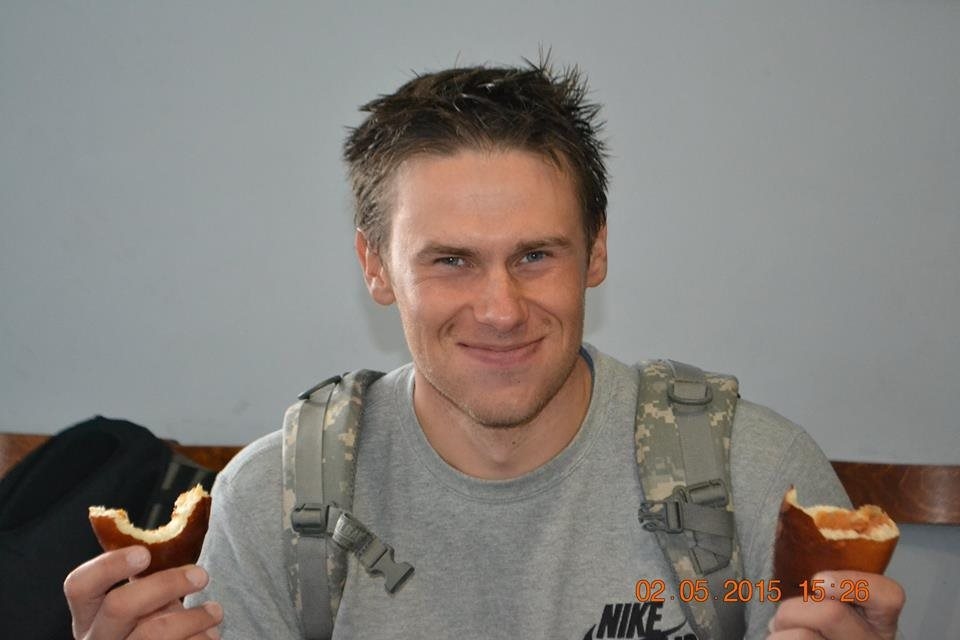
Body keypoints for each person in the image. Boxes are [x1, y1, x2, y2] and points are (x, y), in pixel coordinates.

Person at [64, 60, 905, 639]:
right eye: (451, 261)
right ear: (375, 266)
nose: (501, 311)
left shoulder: (756, 479)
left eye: (536, 255)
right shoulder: (273, 503)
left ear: (597, 252)